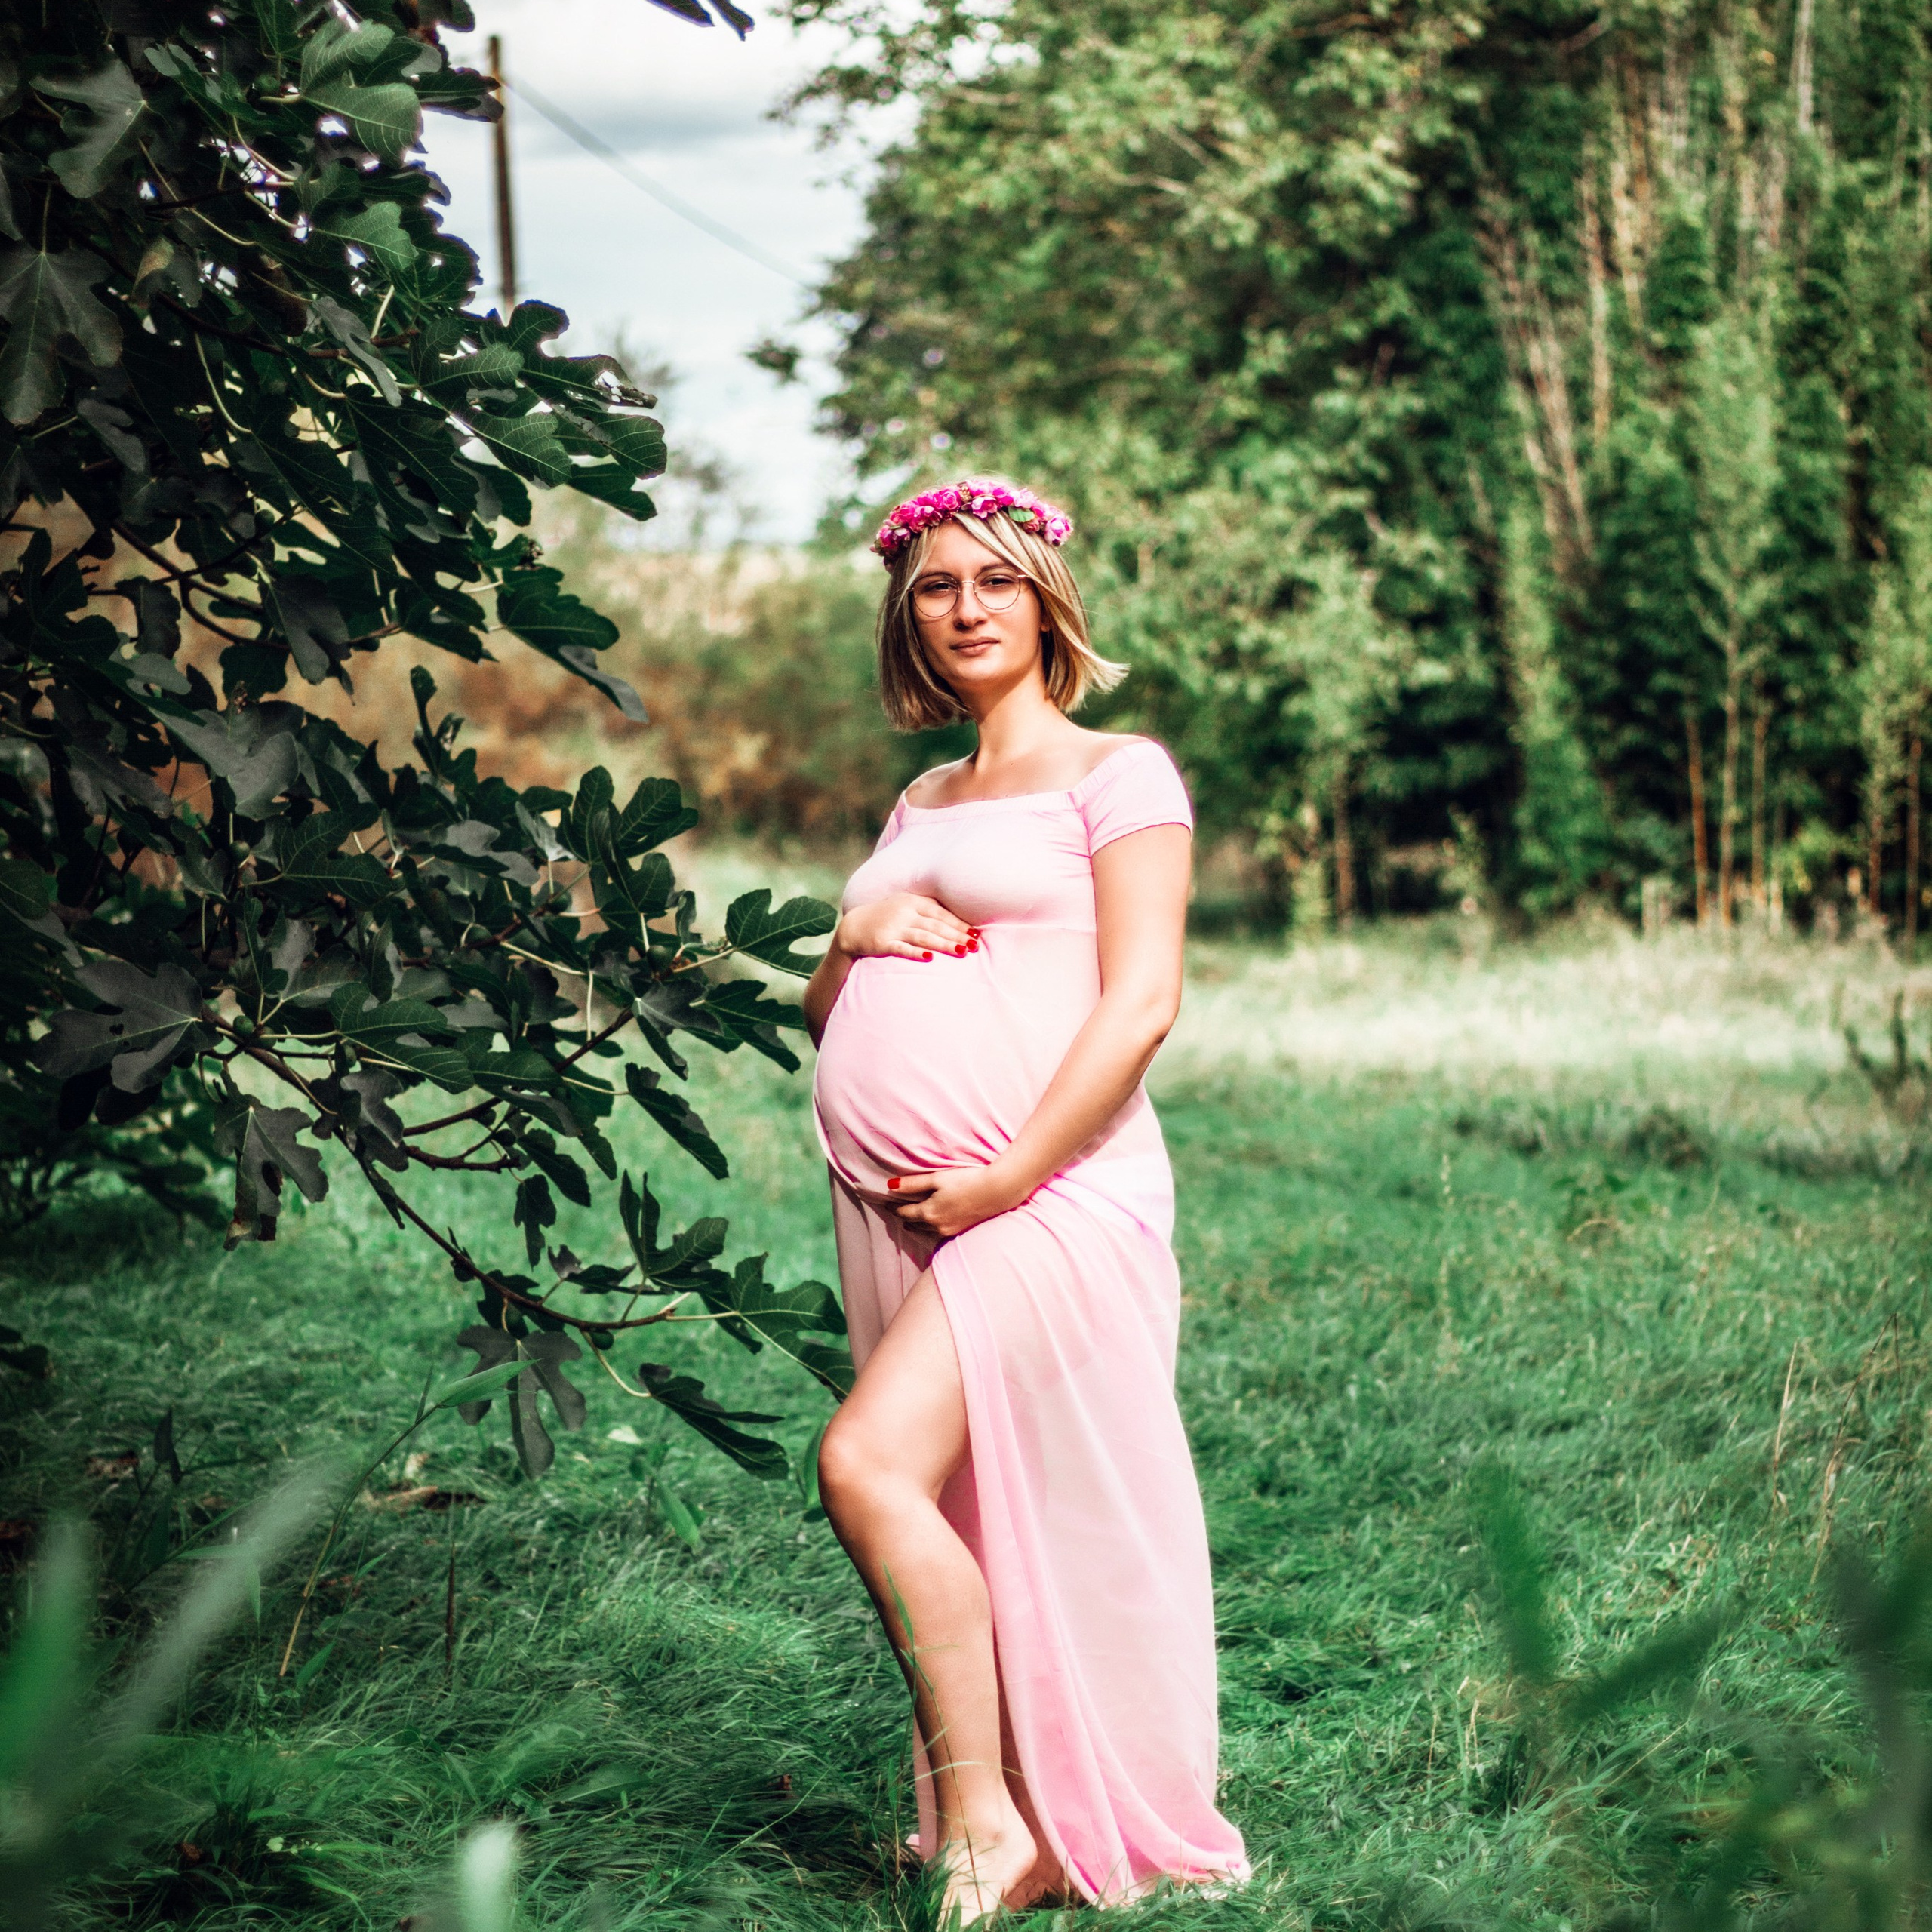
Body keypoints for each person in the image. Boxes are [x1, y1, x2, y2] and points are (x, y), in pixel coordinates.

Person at [801, 478, 1249, 1924]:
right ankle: (1007, 1828)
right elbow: (833, 1007)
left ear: (1046, 599)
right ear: (908, 614)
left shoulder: (1124, 775)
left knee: (867, 1468)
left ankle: (992, 1823)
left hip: (1051, 1189)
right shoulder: (919, 798)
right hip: (906, 1206)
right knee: (959, 1500)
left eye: (993, 581)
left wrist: (1005, 1177)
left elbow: (1141, 1005)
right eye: (937, 587)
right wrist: (849, 929)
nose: (966, 608)